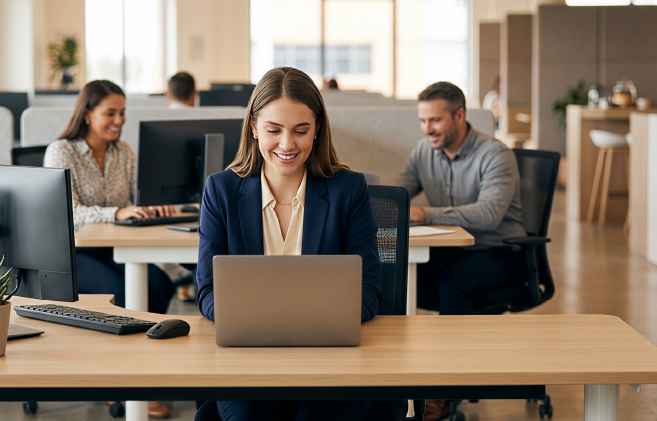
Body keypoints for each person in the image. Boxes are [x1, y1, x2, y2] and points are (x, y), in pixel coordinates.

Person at [196, 67, 383, 421]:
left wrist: (305, 328)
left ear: (317, 130)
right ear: (253, 127)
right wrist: (263, 328)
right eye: (273, 130)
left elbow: (369, 290)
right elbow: (208, 292)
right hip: (248, 362)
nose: (287, 144)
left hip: (333, 361)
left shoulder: (348, 190)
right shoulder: (220, 191)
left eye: (301, 130)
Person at [44, 80, 175, 419]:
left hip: (113, 248)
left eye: (123, 112)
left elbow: (134, 201)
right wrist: (115, 213)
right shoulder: (62, 151)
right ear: (87, 113)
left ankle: (143, 373)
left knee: (161, 286)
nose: (119, 120)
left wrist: (150, 208)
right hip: (72, 251)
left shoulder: (124, 152)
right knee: (119, 292)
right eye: (110, 113)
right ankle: (117, 382)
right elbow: (66, 213)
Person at [396, 81, 526, 421]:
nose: (428, 130)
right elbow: (399, 194)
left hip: (502, 253)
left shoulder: (495, 154)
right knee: (392, 274)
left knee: (454, 283)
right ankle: (392, 380)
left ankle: (445, 391)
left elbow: (488, 213)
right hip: (451, 250)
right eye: (423, 121)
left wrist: (425, 213)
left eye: (435, 121)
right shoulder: (425, 151)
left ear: (460, 115)